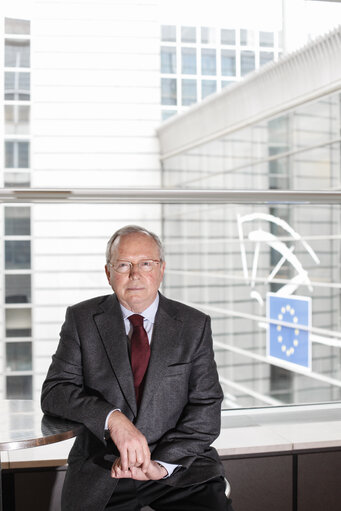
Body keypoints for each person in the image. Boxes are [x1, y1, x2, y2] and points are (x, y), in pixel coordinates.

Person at [41, 225, 234, 511]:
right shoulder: (82, 319)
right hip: (105, 469)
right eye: (123, 265)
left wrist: (161, 464)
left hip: (178, 470)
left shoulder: (194, 325)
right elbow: (55, 392)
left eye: (146, 263)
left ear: (161, 269)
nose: (135, 274)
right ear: (108, 273)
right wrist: (112, 419)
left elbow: (206, 409)